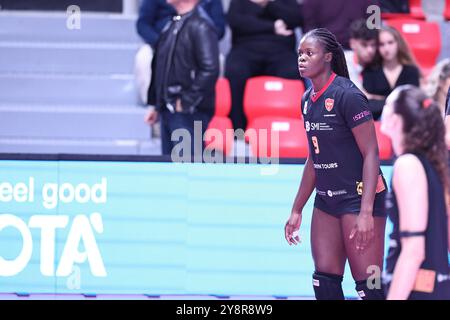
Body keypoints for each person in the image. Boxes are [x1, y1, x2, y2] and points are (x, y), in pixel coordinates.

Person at [284, 28, 387, 300]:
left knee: (370, 286)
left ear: (328, 57)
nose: (302, 59)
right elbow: (314, 158)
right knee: (324, 282)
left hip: (360, 198)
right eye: (300, 53)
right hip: (327, 200)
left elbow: (372, 153)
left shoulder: (348, 95)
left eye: (309, 53)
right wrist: (297, 209)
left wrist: (366, 212)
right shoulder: (307, 100)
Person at [380, 85, 450, 300]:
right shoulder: (431, 164)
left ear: (396, 119)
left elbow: (413, 251)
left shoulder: (408, 164)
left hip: (419, 290)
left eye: (387, 104)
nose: (382, 109)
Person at [144, 0, 220, 158]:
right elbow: (160, 66)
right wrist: (157, 105)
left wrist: (186, 101)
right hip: (169, 109)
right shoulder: (172, 24)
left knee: (188, 168)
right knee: (171, 169)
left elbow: (210, 69)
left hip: (188, 111)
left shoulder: (201, 25)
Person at [225, 0, 303, 131]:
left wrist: (270, 3)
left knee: (293, 71)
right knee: (235, 70)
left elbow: (296, 19)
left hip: (281, 51)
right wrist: (272, 26)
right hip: (245, 50)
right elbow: (236, 22)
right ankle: (238, 131)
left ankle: (290, 129)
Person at [135, 0, 225, 104]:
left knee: (216, 60)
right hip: (160, 44)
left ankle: (204, 102)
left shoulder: (202, 23)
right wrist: (163, 43)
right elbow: (143, 24)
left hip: (196, 47)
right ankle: (156, 103)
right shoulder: (174, 21)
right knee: (143, 58)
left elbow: (219, 27)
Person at [362, 26, 420, 120]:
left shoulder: (411, 71)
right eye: (381, 44)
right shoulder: (370, 71)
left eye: (390, 42)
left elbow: (412, 103)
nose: (386, 48)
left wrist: (378, 98)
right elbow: (369, 106)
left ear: (398, 43)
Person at [302, 0, 378, 50]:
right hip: (328, 53)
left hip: (361, 53)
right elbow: (309, 29)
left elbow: (375, 23)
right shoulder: (311, 2)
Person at [345, 19, 379, 91]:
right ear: (352, 43)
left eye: (373, 45)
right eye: (364, 45)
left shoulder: (379, 62)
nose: (370, 50)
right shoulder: (342, 63)